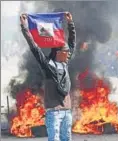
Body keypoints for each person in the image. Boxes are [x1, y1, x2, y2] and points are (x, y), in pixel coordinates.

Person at [20, 12, 76, 141]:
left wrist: (70, 23)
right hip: (54, 112)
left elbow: (72, 43)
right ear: (58, 53)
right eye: (66, 52)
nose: (68, 54)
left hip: (67, 111)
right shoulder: (48, 66)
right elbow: (34, 48)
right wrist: (24, 26)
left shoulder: (65, 63)